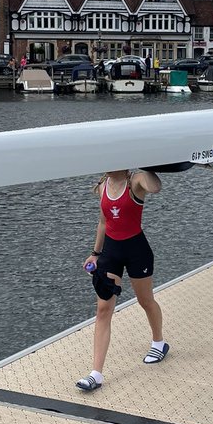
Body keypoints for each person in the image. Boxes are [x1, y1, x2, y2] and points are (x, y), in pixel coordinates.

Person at [75, 168, 166, 391]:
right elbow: (104, 223)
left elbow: (156, 187)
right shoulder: (102, 185)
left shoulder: (135, 180)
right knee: (103, 309)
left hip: (137, 251)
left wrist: (147, 162)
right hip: (111, 253)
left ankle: (159, 342)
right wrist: (95, 254)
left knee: (145, 301)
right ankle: (96, 374)